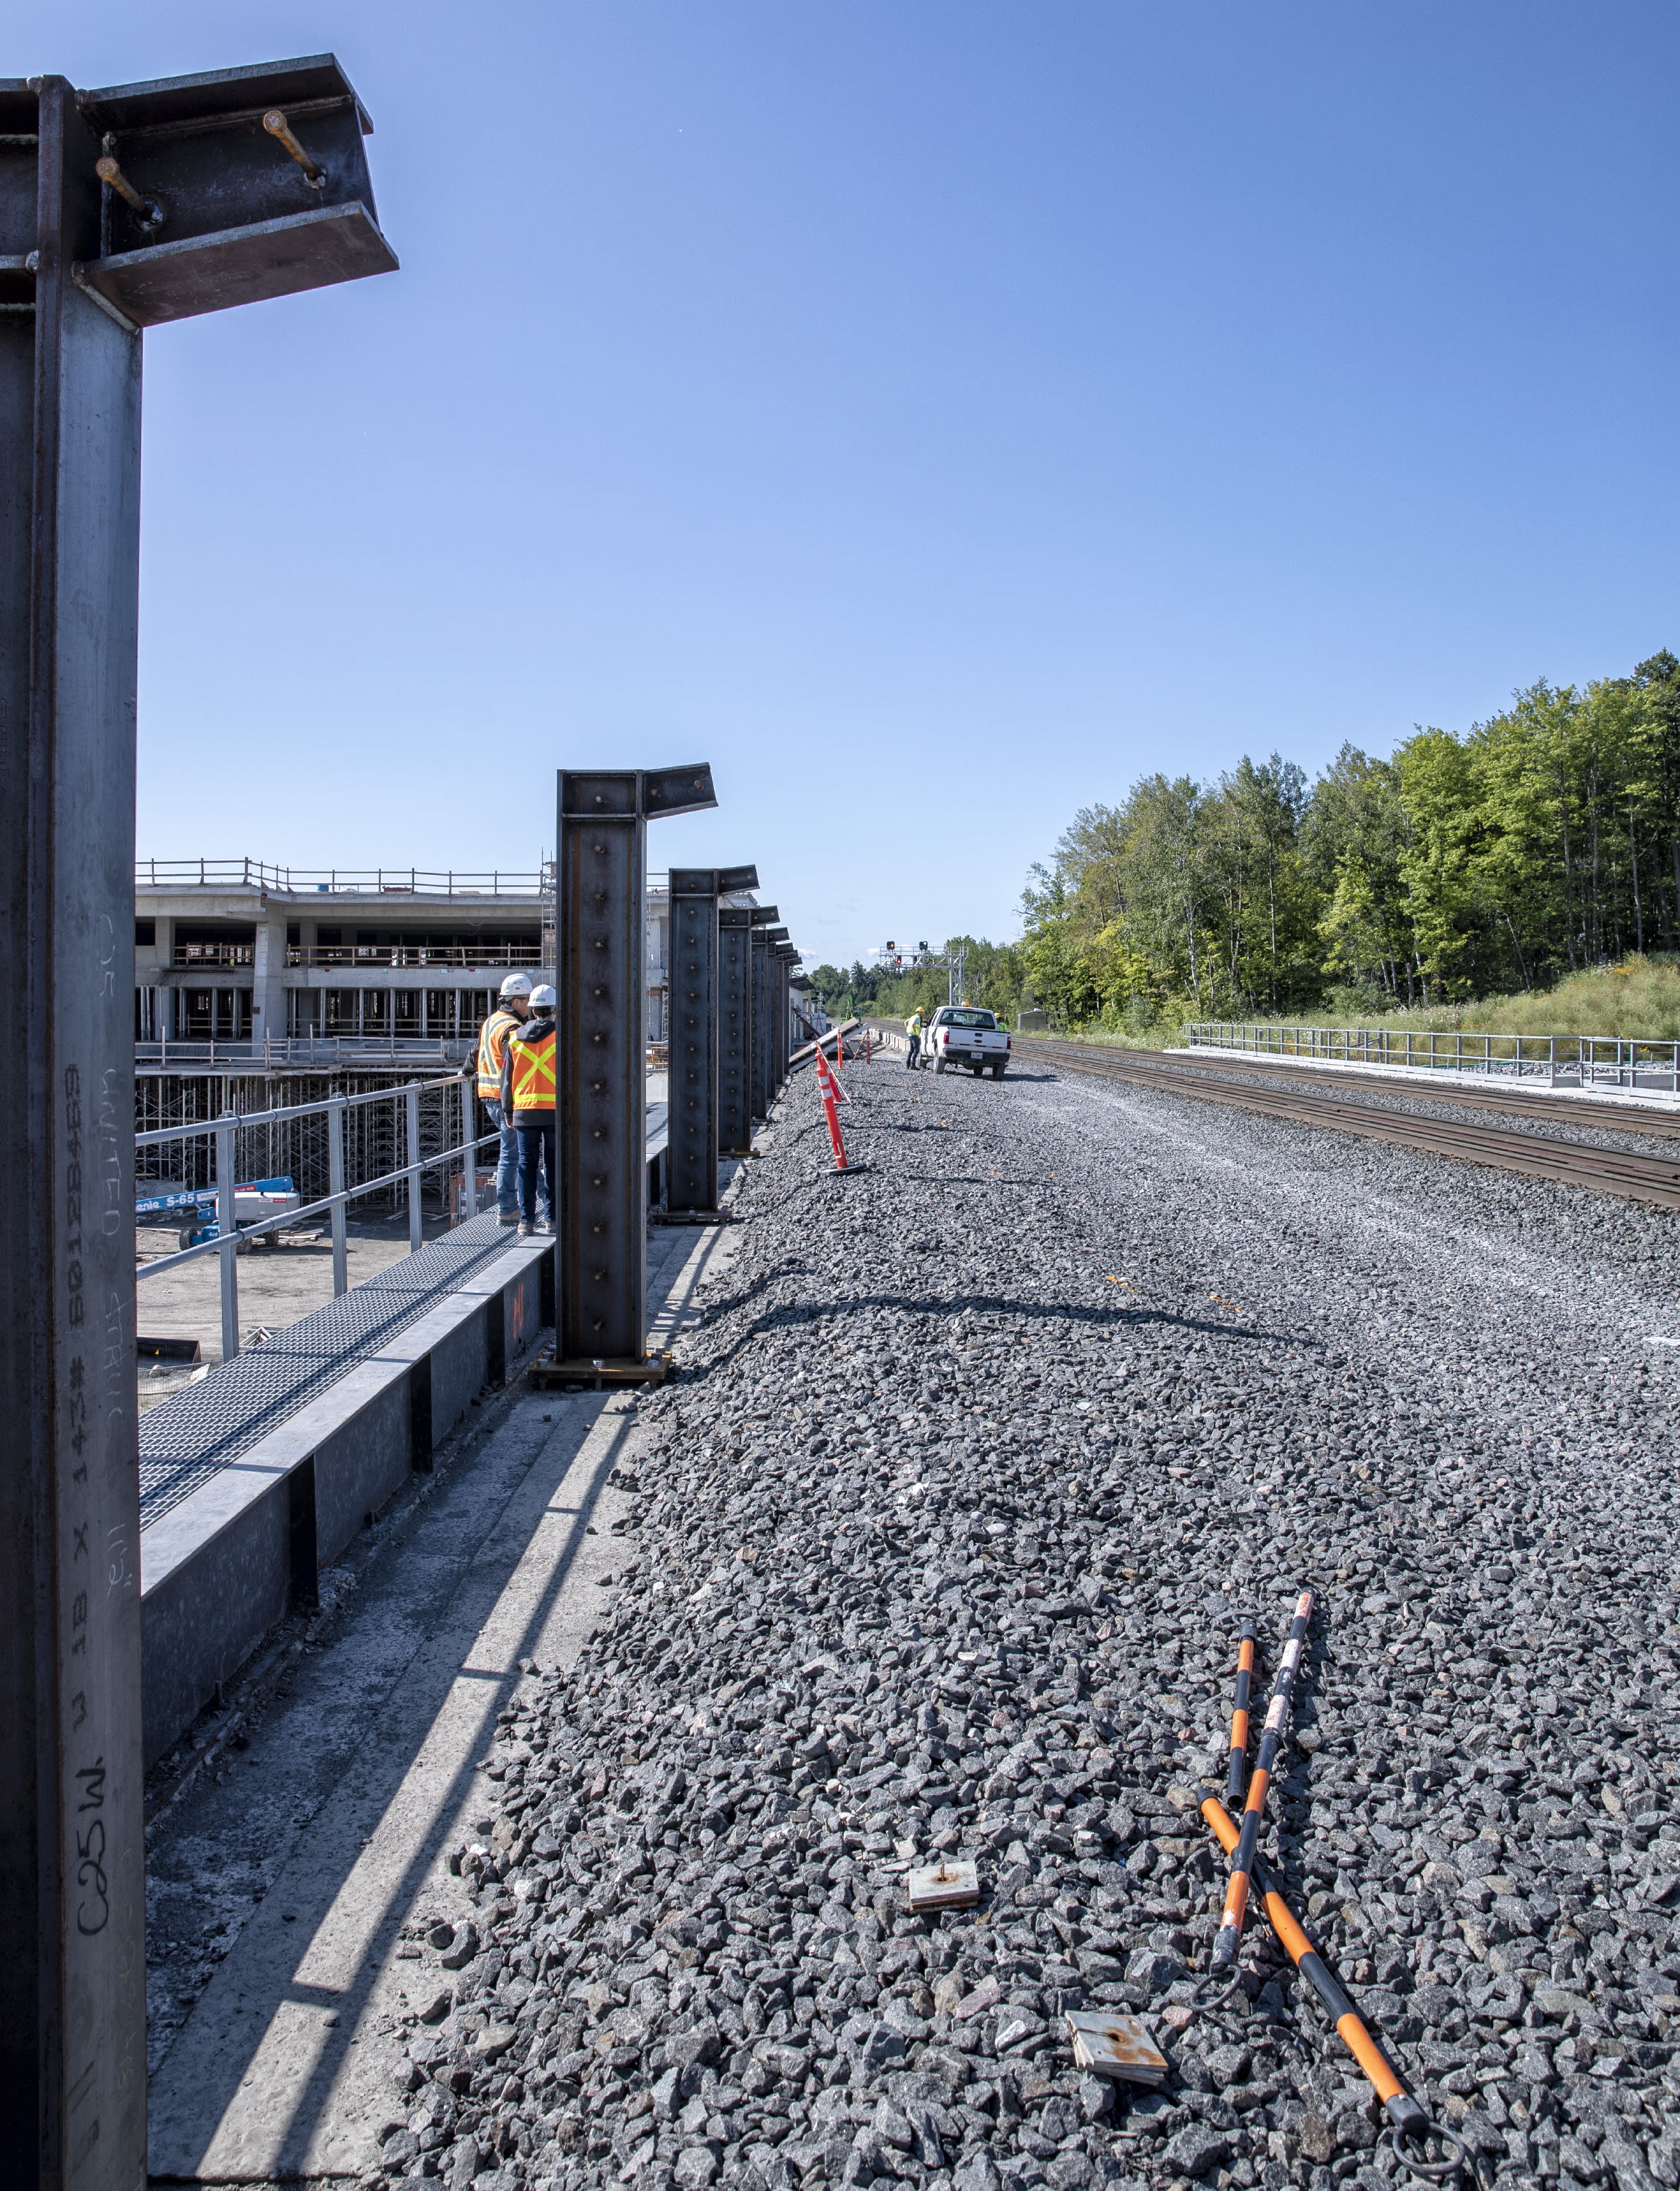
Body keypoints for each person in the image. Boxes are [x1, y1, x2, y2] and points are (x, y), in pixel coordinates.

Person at [475, 974, 537, 1225]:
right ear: (516, 1001)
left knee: (517, 1153)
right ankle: (508, 1207)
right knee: (514, 1155)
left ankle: (535, 1197)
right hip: (506, 1100)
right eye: (526, 1000)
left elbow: (474, 1052)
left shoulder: (492, 1021)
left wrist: (467, 1072)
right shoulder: (510, 1027)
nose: (530, 1006)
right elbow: (517, 1062)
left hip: (489, 1096)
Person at [499, 984, 556, 1239]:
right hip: (555, 1110)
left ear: (532, 1011)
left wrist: (507, 1111)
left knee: (526, 1164)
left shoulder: (513, 1038)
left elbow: (506, 1079)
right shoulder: (562, 1036)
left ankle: (526, 1221)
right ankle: (553, 1220)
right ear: (554, 1010)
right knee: (554, 1164)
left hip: (523, 1111)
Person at [905, 1007, 924, 1071]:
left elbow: (905, 1022)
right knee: (917, 1050)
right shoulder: (918, 1018)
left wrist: (908, 1030)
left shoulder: (912, 1017)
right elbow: (913, 1024)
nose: (923, 1014)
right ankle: (913, 1065)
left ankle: (908, 1064)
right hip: (914, 1035)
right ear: (919, 1012)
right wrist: (915, 1033)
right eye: (922, 1012)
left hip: (910, 1035)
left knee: (912, 1050)